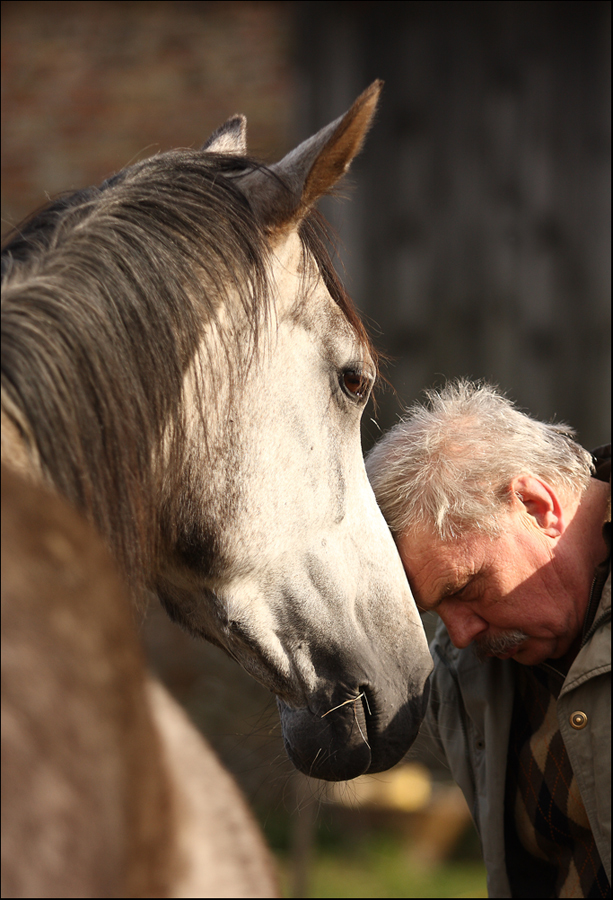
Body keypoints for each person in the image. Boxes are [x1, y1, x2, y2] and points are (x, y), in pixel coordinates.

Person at [366, 380, 610, 898]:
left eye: (467, 588)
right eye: (436, 610)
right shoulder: (465, 670)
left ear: (536, 505)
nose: (459, 634)